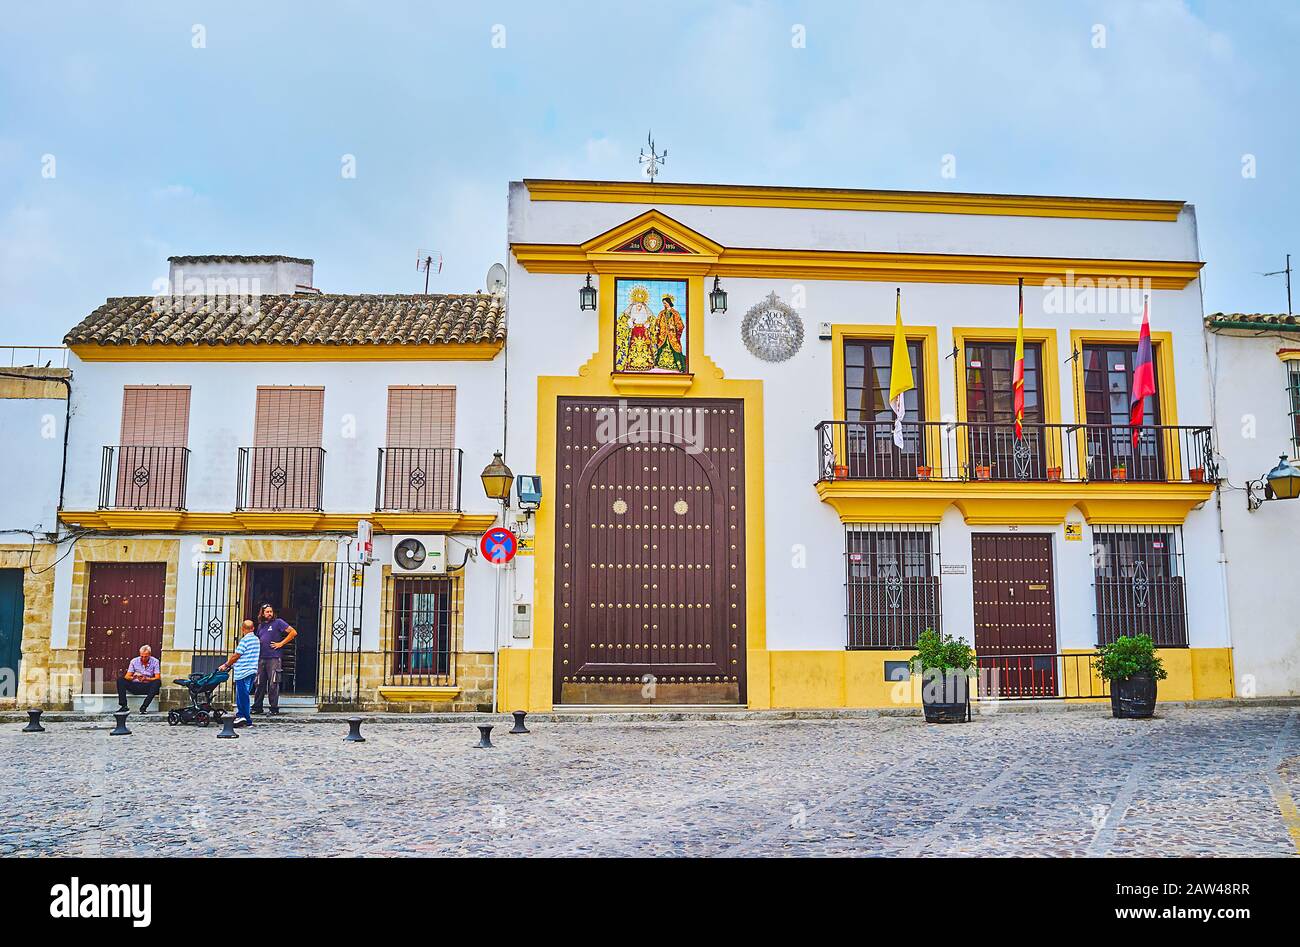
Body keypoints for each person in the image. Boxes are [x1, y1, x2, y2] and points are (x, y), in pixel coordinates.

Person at [252, 603, 297, 716]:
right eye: (267, 612)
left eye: (271, 611)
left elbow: (293, 632)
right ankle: (257, 706)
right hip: (261, 657)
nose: (269, 614)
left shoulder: (278, 622)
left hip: (274, 657)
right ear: (262, 613)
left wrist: (281, 643)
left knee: (273, 683)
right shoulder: (261, 625)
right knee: (259, 683)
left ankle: (274, 708)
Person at [219, 620, 260, 727]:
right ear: (253, 628)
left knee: (243, 696)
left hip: (242, 672)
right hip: (252, 670)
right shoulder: (256, 640)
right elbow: (247, 655)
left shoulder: (244, 641)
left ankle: (246, 719)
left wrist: (226, 665)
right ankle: (240, 715)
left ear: (242, 629)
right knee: (242, 694)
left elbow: (237, 655)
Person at [116, 645, 161, 713]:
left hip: (147, 686)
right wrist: (134, 677)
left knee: (157, 682)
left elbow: (157, 677)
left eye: (146, 656)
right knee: (120, 680)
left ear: (150, 655)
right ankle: (124, 706)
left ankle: (144, 707)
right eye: (142, 656)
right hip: (135, 685)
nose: (143, 658)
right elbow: (127, 677)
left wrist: (146, 678)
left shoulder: (155, 661)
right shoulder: (134, 661)